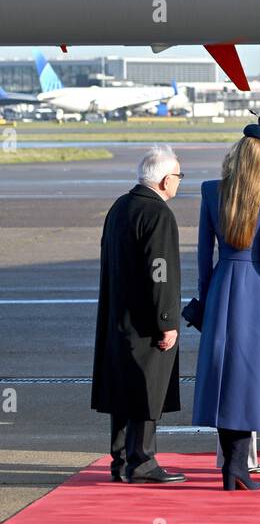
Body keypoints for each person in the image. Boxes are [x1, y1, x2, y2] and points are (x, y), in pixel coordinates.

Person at [192, 115, 260, 492]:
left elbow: (204, 253)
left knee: (222, 378)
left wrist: (205, 295)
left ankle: (231, 468)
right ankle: (237, 468)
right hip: (256, 290)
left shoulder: (210, 191)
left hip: (222, 286)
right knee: (248, 380)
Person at [91, 145, 185, 484]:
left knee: (123, 391)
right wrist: (167, 322)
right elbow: (159, 271)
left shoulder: (120, 206)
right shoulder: (158, 214)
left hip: (119, 317)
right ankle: (142, 459)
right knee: (147, 389)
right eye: (177, 176)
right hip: (146, 321)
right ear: (162, 180)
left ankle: (120, 460)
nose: (179, 182)